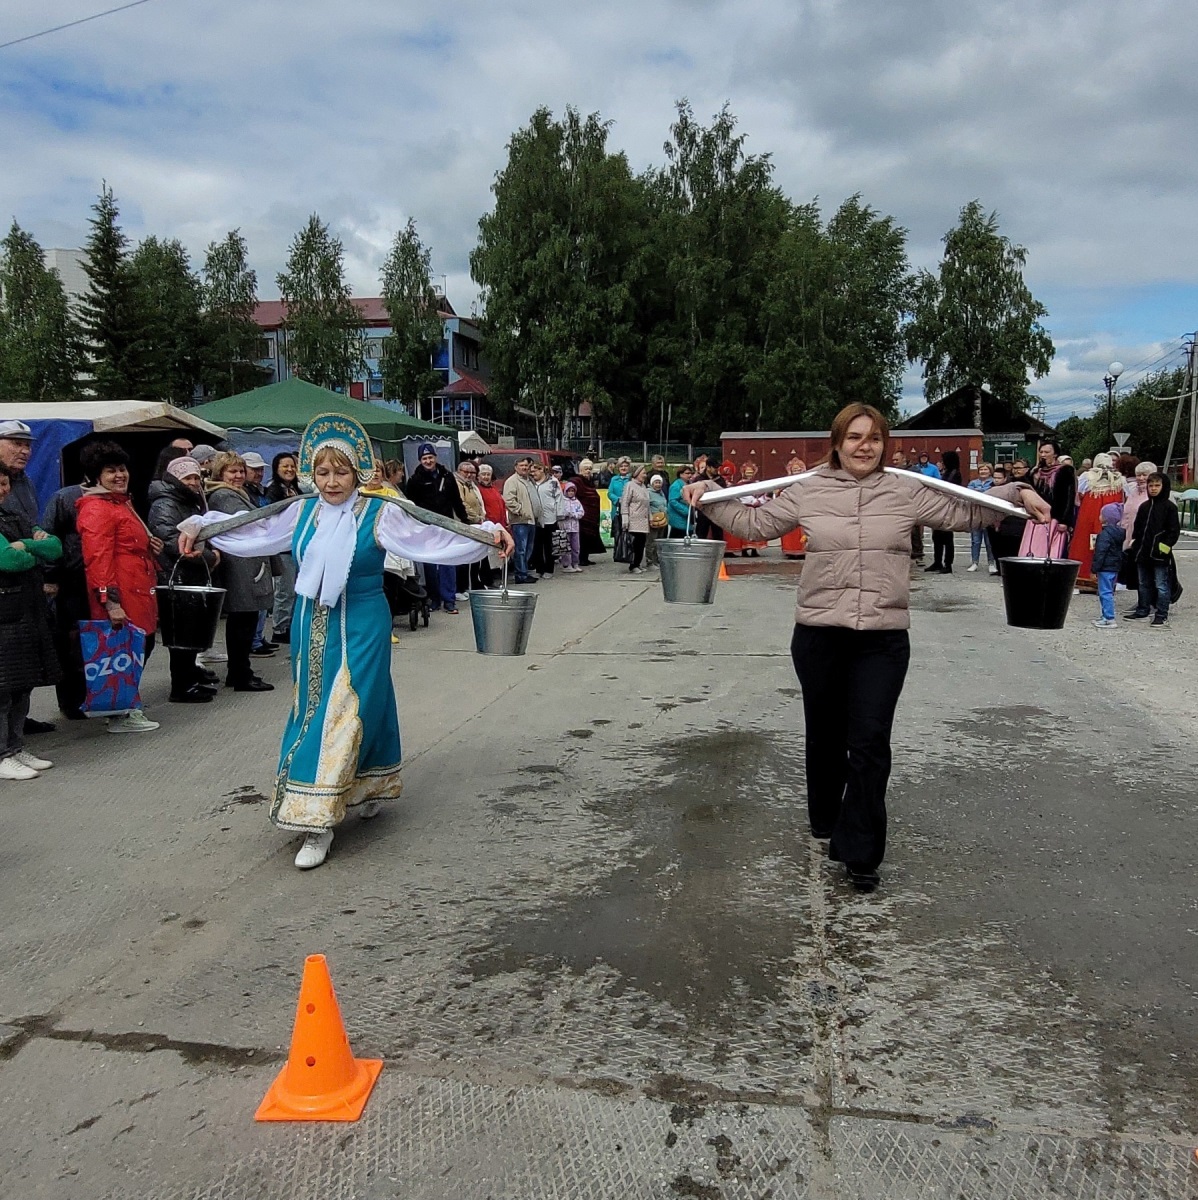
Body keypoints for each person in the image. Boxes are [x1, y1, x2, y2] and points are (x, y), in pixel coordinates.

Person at [682, 402, 1048, 891]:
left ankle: (860, 852)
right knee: (826, 736)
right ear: (837, 442)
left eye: (873, 438)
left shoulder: (905, 491)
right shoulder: (808, 489)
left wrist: (1018, 489)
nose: (864, 446)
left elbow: (964, 507)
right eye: (854, 437)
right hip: (819, 635)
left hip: (882, 639)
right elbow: (755, 525)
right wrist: (708, 495)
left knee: (870, 743)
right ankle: (825, 817)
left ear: (884, 444)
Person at [178, 414, 513, 869]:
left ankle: (319, 820)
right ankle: (362, 784)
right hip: (307, 621)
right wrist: (198, 525)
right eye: (322, 472)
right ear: (309, 473)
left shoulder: (381, 511)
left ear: (358, 472)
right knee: (313, 708)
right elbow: (250, 528)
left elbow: (432, 536)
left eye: (340, 471)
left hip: (362, 619)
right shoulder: (301, 511)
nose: (331, 481)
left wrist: (488, 536)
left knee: (350, 706)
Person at [75, 440, 163, 733]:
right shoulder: (98, 508)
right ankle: (121, 711)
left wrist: (148, 544)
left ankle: (128, 705)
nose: (119, 475)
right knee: (124, 651)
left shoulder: (119, 502)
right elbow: (97, 559)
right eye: (111, 471)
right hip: (122, 591)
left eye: (122, 469)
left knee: (138, 647)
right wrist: (110, 602)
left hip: (138, 587)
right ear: (95, 476)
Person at [0, 461, 62, 779]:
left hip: (25, 610)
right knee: (2, 690)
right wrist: (32, 551)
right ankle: (1, 754)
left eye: (5, 484)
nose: (3, 490)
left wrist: (28, 545)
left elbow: (54, 547)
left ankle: (15, 746)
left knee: (22, 686)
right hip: (4, 613)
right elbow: (6, 560)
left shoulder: (14, 517)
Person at [147, 457, 223, 702]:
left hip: (189, 573)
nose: (193, 482)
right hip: (176, 574)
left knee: (190, 631)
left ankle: (190, 679)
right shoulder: (166, 504)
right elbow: (171, 540)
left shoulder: (188, 501)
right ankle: (181, 687)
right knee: (180, 635)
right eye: (187, 478)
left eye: (195, 477)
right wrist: (210, 557)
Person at [205, 451, 276, 691]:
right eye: (232, 471)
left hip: (246, 562)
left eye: (240, 471)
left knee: (244, 620)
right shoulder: (224, 495)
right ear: (220, 473)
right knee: (242, 620)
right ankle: (239, 673)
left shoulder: (237, 492)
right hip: (239, 564)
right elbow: (245, 523)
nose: (238, 476)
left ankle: (241, 671)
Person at [41, 470, 89, 720]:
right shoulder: (65, 497)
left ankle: (96, 695)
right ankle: (71, 702)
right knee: (71, 643)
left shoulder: (119, 498)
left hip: (98, 580)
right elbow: (49, 535)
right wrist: (51, 577)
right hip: (71, 580)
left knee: (94, 640)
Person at [404, 443, 469, 613]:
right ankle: (434, 598)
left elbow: (456, 499)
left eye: (430, 457)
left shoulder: (447, 476)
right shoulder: (415, 480)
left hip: (446, 524)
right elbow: (410, 505)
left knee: (448, 562)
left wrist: (464, 519)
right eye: (424, 458)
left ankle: (449, 599)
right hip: (427, 527)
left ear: (435, 457)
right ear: (420, 460)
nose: (428, 461)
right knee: (430, 564)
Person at [1125, 472, 1180, 626]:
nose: (1154, 489)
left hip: (1160, 555)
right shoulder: (1144, 506)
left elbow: (1173, 531)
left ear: (1164, 487)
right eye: (1151, 486)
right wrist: (1135, 544)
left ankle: (1161, 613)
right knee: (1143, 583)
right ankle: (1143, 609)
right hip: (1142, 553)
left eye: (1157, 485)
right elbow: (1138, 529)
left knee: (1161, 585)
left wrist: (1164, 547)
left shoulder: (1170, 507)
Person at [1069, 454, 1127, 592]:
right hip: (1111, 516)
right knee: (1110, 546)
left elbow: (1078, 495)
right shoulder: (1120, 479)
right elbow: (1125, 498)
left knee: (1084, 544)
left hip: (1089, 515)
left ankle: (1083, 577)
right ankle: (1108, 579)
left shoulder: (1086, 477)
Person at [265, 452, 302, 641]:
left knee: (295, 589)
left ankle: (289, 625)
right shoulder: (273, 491)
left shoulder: (296, 489)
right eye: (285, 466)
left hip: (295, 546)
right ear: (276, 468)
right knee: (284, 590)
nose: (289, 470)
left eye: (292, 466)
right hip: (282, 548)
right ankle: (279, 629)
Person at [454, 459, 491, 592]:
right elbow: (462, 504)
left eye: (472, 472)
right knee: (466, 559)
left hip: (477, 523)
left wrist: (481, 516)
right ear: (459, 472)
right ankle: (463, 588)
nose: (469, 475)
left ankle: (474, 584)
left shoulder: (471, 485)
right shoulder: (458, 484)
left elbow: (478, 503)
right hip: (466, 524)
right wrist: (476, 517)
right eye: (466, 472)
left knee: (475, 558)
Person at [502, 457, 539, 584]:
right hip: (520, 521)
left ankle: (524, 572)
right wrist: (521, 511)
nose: (525, 468)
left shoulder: (529, 480)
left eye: (527, 466)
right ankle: (521, 575)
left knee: (528, 549)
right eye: (522, 465)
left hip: (531, 520)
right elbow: (509, 500)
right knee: (521, 549)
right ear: (515, 467)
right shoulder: (512, 481)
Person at [927, 450, 963, 573]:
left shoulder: (955, 473)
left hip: (948, 508)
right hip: (941, 507)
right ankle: (937, 562)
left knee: (947, 538)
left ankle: (948, 564)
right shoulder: (947, 472)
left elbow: (949, 489)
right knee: (936, 537)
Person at [1091, 503, 1126, 628]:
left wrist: (1094, 568)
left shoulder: (1104, 535)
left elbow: (1100, 553)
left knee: (1104, 592)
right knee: (1109, 591)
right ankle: (1106, 615)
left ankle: (1108, 617)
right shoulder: (1120, 533)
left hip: (1105, 567)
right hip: (1114, 567)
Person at [1031, 439, 1077, 528]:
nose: (1043, 455)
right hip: (1037, 516)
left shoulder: (1064, 470)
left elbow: (1069, 496)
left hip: (1056, 517)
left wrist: (1065, 521)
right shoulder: (1035, 471)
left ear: (1055, 454)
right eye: (1041, 452)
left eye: (1047, 452)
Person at [476, 464, 509, 585]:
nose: (486, 477)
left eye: (488, 474)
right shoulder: (478, 490)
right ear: (478, 477)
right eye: (483, 474)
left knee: (497, 552)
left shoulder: (493, 488)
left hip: (499, 524)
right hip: (487, 525)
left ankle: (495, 577)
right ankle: (487, 580)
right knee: (487, 554)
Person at [569, 459, 604, 565]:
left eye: (590, 469)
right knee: (581, 537)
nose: (588, 471)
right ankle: (580, 558)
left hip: (592, 514)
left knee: (589, 536)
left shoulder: (590, 482)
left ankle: (585, 557)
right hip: (582, 514)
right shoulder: (576, 481)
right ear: (581, 470)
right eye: (586, 469)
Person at [529, 461, 560, 579]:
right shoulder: (530, 483)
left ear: (541, 470)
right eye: (531, 471)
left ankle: (549, 569)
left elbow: (559, 498)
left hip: (550, 518)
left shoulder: (552, 482)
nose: (533, 474)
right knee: (537, 545)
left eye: (534, 471)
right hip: (535, 519)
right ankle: (539, 568)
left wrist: (559, 515)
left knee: (548, 546)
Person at [967, 463, 997, 573]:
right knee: (975, 541)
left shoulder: (994, 482)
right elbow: (969, 494)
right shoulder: (973, 482)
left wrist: (978, 492)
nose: (983, 471)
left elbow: (992, 494)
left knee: (989, 542)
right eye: (981, 469)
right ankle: (974, 562)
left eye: (985, 469)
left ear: (990, 471)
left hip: (989, 515)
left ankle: (991, 563)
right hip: (976, 514)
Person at [621, 465, 650, 573]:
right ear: (636, 474)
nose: (645, 475)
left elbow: (648, 504)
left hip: (643, 520)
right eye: (643, 473)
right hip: (634, 519)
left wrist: (650, 518)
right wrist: (625, 518)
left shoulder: (643, 487)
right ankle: (633, 565)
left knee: (641, 543)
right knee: (635, 543)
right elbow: (624, 502)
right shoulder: (630, 485)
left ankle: (638, 563)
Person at [780, 457, 808, 559]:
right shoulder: (786, 482)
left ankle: (803, 551)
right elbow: (781, 493)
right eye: (794, 470)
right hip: (790, 510)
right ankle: (790, 551)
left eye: (798, 470)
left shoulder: (806, 482)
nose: (797, 472)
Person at [558, 481, 584, 572]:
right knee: (565, 547)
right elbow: (559, 513)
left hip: (575, 528)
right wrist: (565, 514)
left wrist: (574, 515)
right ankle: (566, 564)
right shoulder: (562, 501)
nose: (571, 493)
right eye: (569, 491)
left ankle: (575, 563)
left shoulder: (577, 502)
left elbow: (581, 512)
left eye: (573, 491)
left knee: (576, 547)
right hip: (565, 527)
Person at [646, 474, 668, 566]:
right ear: (652, 483)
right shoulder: (648, 492)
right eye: (656, 482)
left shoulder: (661, 493)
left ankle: (657, 560)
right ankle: (650, 561)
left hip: (662, 520)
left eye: (659, 482)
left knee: (659, 541)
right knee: (651, 542)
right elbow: (647, 506)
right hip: (653, 520)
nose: (658, 484)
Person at [667, 466, 695, 538]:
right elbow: (673, 501)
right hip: (678, 518)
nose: (690, 475)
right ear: (680, 474)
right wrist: (686, 511)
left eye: (691, 473)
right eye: (687, 473)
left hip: (688, 518)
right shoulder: (676, 486)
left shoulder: (690, 484)